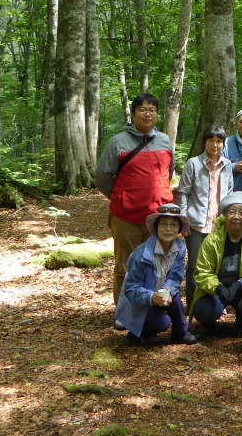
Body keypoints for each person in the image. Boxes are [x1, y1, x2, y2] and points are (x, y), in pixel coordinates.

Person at [95, 92, 176, 306]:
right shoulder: (118, 143)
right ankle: (124, 311)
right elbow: (102, 177)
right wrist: (122, 198)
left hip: (159, 218)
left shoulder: (165, 141)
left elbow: (170, 172)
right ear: (133, 114)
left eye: (152, 110)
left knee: (155, 264)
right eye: (142, 109)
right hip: (126, 218)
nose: (147, 114)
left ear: (157, 114)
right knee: (125, 266)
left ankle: (151, 308)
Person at [115, 203, 197, 346]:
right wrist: (152, 297)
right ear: (156, 227)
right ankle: (136, 332)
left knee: (175, 299)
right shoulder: (141, 254)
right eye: (164, 224)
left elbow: (176, 276)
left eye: (173, 225)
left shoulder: (180, 248)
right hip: (139, 301)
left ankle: (180, 332)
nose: (168, 229)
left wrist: (168, 289)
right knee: (162, 323)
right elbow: (131, 289)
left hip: (161, 293)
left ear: (179, 229)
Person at [190, 192, 242, 335]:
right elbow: (202, 272)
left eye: (241, 213)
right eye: (232, 212)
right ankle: (210, 322)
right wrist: (218, 287)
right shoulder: (212, 240)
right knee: (204, 310)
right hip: (216, 287)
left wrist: (238, 285)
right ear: (225, 215)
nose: (236, 216)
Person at [176, 125, 234, 308]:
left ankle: (216, 305)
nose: (215, 145)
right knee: (194, 265)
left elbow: (230, 192)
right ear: (204, 142)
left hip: (219, 225)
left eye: (219, 141)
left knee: (217, 266)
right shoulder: (194, 163)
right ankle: (193, 304)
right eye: (211, 141)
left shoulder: (227, 165)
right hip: (196, 224)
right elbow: (183, 193)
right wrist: (183, 221)